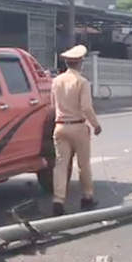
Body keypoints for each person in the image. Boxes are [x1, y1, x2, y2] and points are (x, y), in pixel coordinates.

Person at [51, 44, 102, 216]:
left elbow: (53, 105)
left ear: (66, 63)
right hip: (78, 126)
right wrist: (96, 125)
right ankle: (87, 196)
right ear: (80, 63)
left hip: (60, 126)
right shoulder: (82, 82)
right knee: (83, 164)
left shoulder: (56, 81)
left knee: (60, 165)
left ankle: (58, 201)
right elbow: (86, 107)